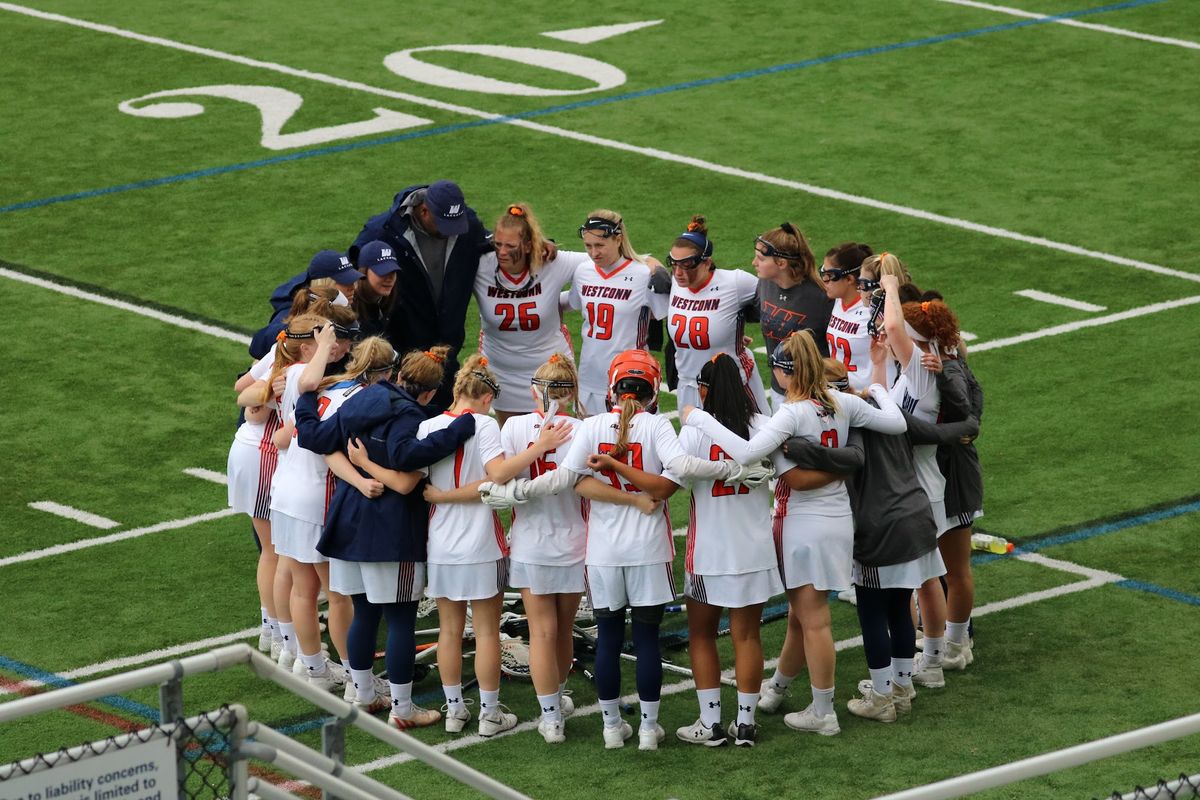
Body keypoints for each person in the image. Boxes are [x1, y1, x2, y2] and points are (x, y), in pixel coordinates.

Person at [479, 350, 771, 751]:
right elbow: (678, 471)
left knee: (610, 640)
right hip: (649, 549)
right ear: (653, 392)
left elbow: (567, 478)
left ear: (613, 388)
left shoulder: (595, 424)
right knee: (647, 639)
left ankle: (612, 728)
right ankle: (649, 730)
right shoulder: (656, 426)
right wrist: (731, 469)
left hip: (603, 552)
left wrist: (514, 491)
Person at [681, 330, 904, 736]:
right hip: (839, 520)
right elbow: (896, 422)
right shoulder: (843, 402)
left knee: (813, 620)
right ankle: (778, 689)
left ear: (788, 372)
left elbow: (749, 454)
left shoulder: (790, 413)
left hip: (801, 523)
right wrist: (876, 388)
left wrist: (698, 418)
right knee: (802, 618)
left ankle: (824, 712)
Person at [292, 344, 477, 730]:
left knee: (364, 613)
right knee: (400, 621)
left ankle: (362, 694)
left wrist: (305, 396)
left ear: (396, 375)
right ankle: (403, 709)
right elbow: (408, 456)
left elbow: (313, 435)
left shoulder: (366, 398)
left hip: (346, 522)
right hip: (391, 531)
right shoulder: (413, 417)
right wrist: (462, 426)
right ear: (428, 393)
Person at [482, 354, 660, 744]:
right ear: (573, 391)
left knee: (540, 631)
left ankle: (551, 719)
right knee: (562, 629)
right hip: (576, 542)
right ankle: (557, 697)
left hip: (530, 542)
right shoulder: (584, 427)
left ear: (535, 391)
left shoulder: (512, 426)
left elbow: (499, 475)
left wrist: (516, 490)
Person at [778, 354, 960, 723]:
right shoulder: (881, 409)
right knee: (899, 605)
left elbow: (845, 459)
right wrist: (969, 422)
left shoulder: (849, 426)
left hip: (882, 526)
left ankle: (881, 696)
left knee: (874, 612)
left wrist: (794, 447)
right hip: (917, 515)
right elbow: (936, 433)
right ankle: (903, 686)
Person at [671, 355, 782, 748]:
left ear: (704, 389)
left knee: (701, 635)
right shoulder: (764, 426)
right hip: (753, 550)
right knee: (747, 635)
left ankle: (710, 722)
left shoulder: (695, 432)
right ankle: (746, 724)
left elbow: (674, 478)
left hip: (708, 553)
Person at [873, 253, 970, 688]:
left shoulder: (924, 370)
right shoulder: (908, 372)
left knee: (924, 579)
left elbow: (896, 327)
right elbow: (881, 396)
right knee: (925, 579)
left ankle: (928, 664)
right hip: (913, 485)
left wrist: (891, 288)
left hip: (921, 488)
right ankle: (930, 662)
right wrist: (878, 360)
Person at [349, 181, 493, 410]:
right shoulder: (383, 231)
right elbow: (352, 277)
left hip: (446, 356)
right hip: (403, 363)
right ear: (423, 211)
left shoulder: (466, 225)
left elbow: (498, 245)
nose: (452, 231)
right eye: (445, 224)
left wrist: (536, 245)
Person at [473, 204, 590, 426]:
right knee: (513, 442)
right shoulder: (481, 266)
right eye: (497, 244)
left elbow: (604, 260)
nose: (502, 252)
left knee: (556, 441)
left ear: (528, 246)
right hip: (502, 372)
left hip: (550, 369)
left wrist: (649, 264)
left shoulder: (552, 263)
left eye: (510, 246)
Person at [566, 211, 670, 415]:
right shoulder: (583, 272)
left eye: (600, 245)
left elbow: (674, 314)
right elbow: (573, 303)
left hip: (631, 379)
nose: (594, 253)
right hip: (589, 378)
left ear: (618, 239)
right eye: (588, 246)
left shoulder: (642, 274)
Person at [665, 216, 768, 414]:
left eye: (686, 264)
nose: (678, 272)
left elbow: (774, 299)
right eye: (673, 263)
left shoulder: (735, 282)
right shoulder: (675, 283)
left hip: (731, 385)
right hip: (688, 387)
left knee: (748, 442)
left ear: (706, 262)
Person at [753, 223, 833, 410]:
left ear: (781, 263)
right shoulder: (765, 284)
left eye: (760, 259)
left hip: (815, 396)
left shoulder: (822, 297)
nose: (754, 263)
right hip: (779, 391)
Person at [250, 251, 363, 360]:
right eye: (345, 282)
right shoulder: (296, 309)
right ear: (325, 283)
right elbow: (258, 344)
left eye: (353, 281)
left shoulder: (347, 305)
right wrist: (302, 329)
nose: (353, 287)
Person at [821, 242, 875, 391]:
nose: (824, 280)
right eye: (823, 272)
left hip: (863, 396)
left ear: (850, 279)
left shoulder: (871, 312)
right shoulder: (838, 300)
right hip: (836, 392)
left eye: (829, 275)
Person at [353, 241, 402, 339]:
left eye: (393, 272)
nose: (390, 279)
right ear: (363, 272)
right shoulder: (351, 310)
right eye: (383, 272)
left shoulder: (394, 304)